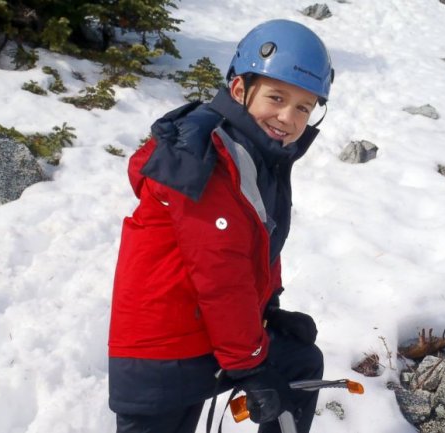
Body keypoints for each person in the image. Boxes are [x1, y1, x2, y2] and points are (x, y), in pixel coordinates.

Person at [108, 19, 334, 433]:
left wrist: (268, 309)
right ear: (239, 90)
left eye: (303, 106)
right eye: (276, 97)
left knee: (300, 362)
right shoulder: (209, 155)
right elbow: (221, 274)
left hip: (203, 336)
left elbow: (258, 242)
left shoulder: (255, 153)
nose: (288, 117)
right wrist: (251, 365)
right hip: (163, 353)